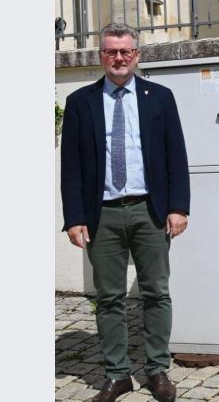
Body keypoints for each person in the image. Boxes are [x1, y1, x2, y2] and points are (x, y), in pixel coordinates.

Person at [61, 23, 190, 402]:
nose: (118, 58)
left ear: (136, 55)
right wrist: (74, 217)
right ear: (101, 55)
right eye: (111, 51)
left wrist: (178, 207)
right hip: (102, 215)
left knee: (157, 292)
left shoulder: (159, 97)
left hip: (150, 211)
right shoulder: (80, 102)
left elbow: (176, 156)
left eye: (125, 51)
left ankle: (157, 370)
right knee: (109, 297)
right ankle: (117, 374)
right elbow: (71, 166)